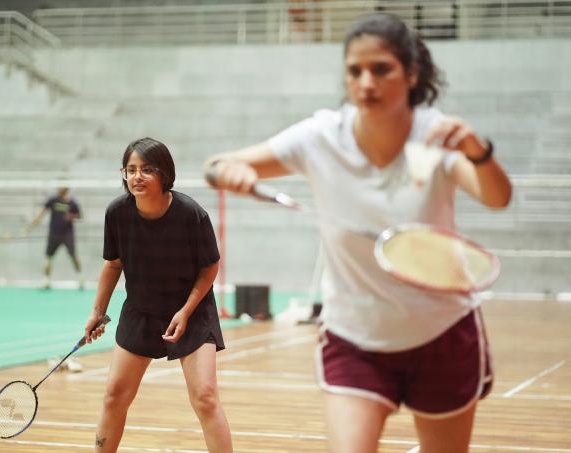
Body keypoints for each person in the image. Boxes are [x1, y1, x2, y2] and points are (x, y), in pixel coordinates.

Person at [203, 13, 512, 453]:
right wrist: (227, 171)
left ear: (411, 73)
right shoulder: (321, 137)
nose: (366, 82)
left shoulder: (437, 137)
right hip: (355, 337)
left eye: (381, 69)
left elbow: (497, 196)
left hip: (441, 333)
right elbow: (215, 164)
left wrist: (478, 151)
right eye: (355, 71)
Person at [84, 137, 232, 453]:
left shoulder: (191, 214)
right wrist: (98, 310)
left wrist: (186, 310)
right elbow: (113, 264)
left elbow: (210, 267)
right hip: (141, 309)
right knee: (114, 395)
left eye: (147, 169)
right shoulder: (118, 213)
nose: (137, 176)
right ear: (122, 174)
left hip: (190, 311)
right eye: (131, 169)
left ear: (164, 173)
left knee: (205, 398)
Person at [25, 186, 84, 289]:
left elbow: (80, 216)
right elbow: (41, 213)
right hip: (54, 234)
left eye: (62, 187)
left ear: (66, 189)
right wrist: (31, 225)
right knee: (48, 258)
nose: (59, 189)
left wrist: (71, 216)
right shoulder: (53, 200)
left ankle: (80, 279)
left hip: (67, 235)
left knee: (73, 256)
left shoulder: (73, 202)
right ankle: (46, 281)